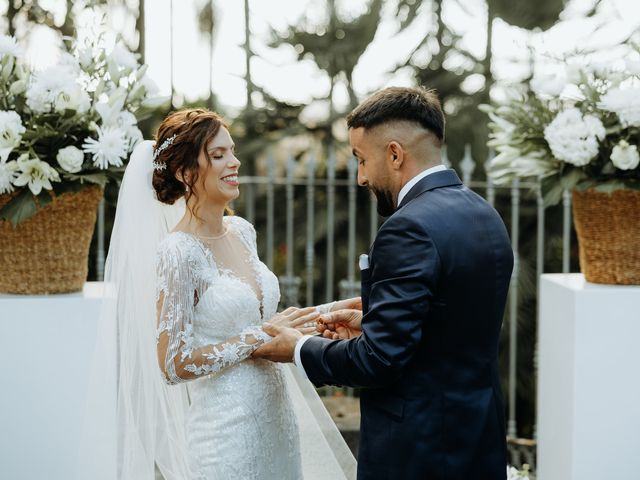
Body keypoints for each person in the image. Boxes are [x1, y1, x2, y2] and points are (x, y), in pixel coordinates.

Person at [79, 108, 357, 480]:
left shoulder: (242, 231)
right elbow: (174, 364)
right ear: (185, 172)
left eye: (232, 151)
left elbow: (264, 321)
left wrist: (337, 308)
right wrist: (257, 338)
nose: (235, 162)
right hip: (225, 435)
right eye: (218, 155)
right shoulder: (178, 251)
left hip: (278, 421)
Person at [254, 87, 514, 480]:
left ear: (394, 154)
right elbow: (450, 323)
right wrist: (374, 319)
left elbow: (379, 360)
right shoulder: (485, 215)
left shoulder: (408, 227)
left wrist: (300, 347)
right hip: (478, 440)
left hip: (416, 453)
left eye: (361, 160)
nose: (360, 177)